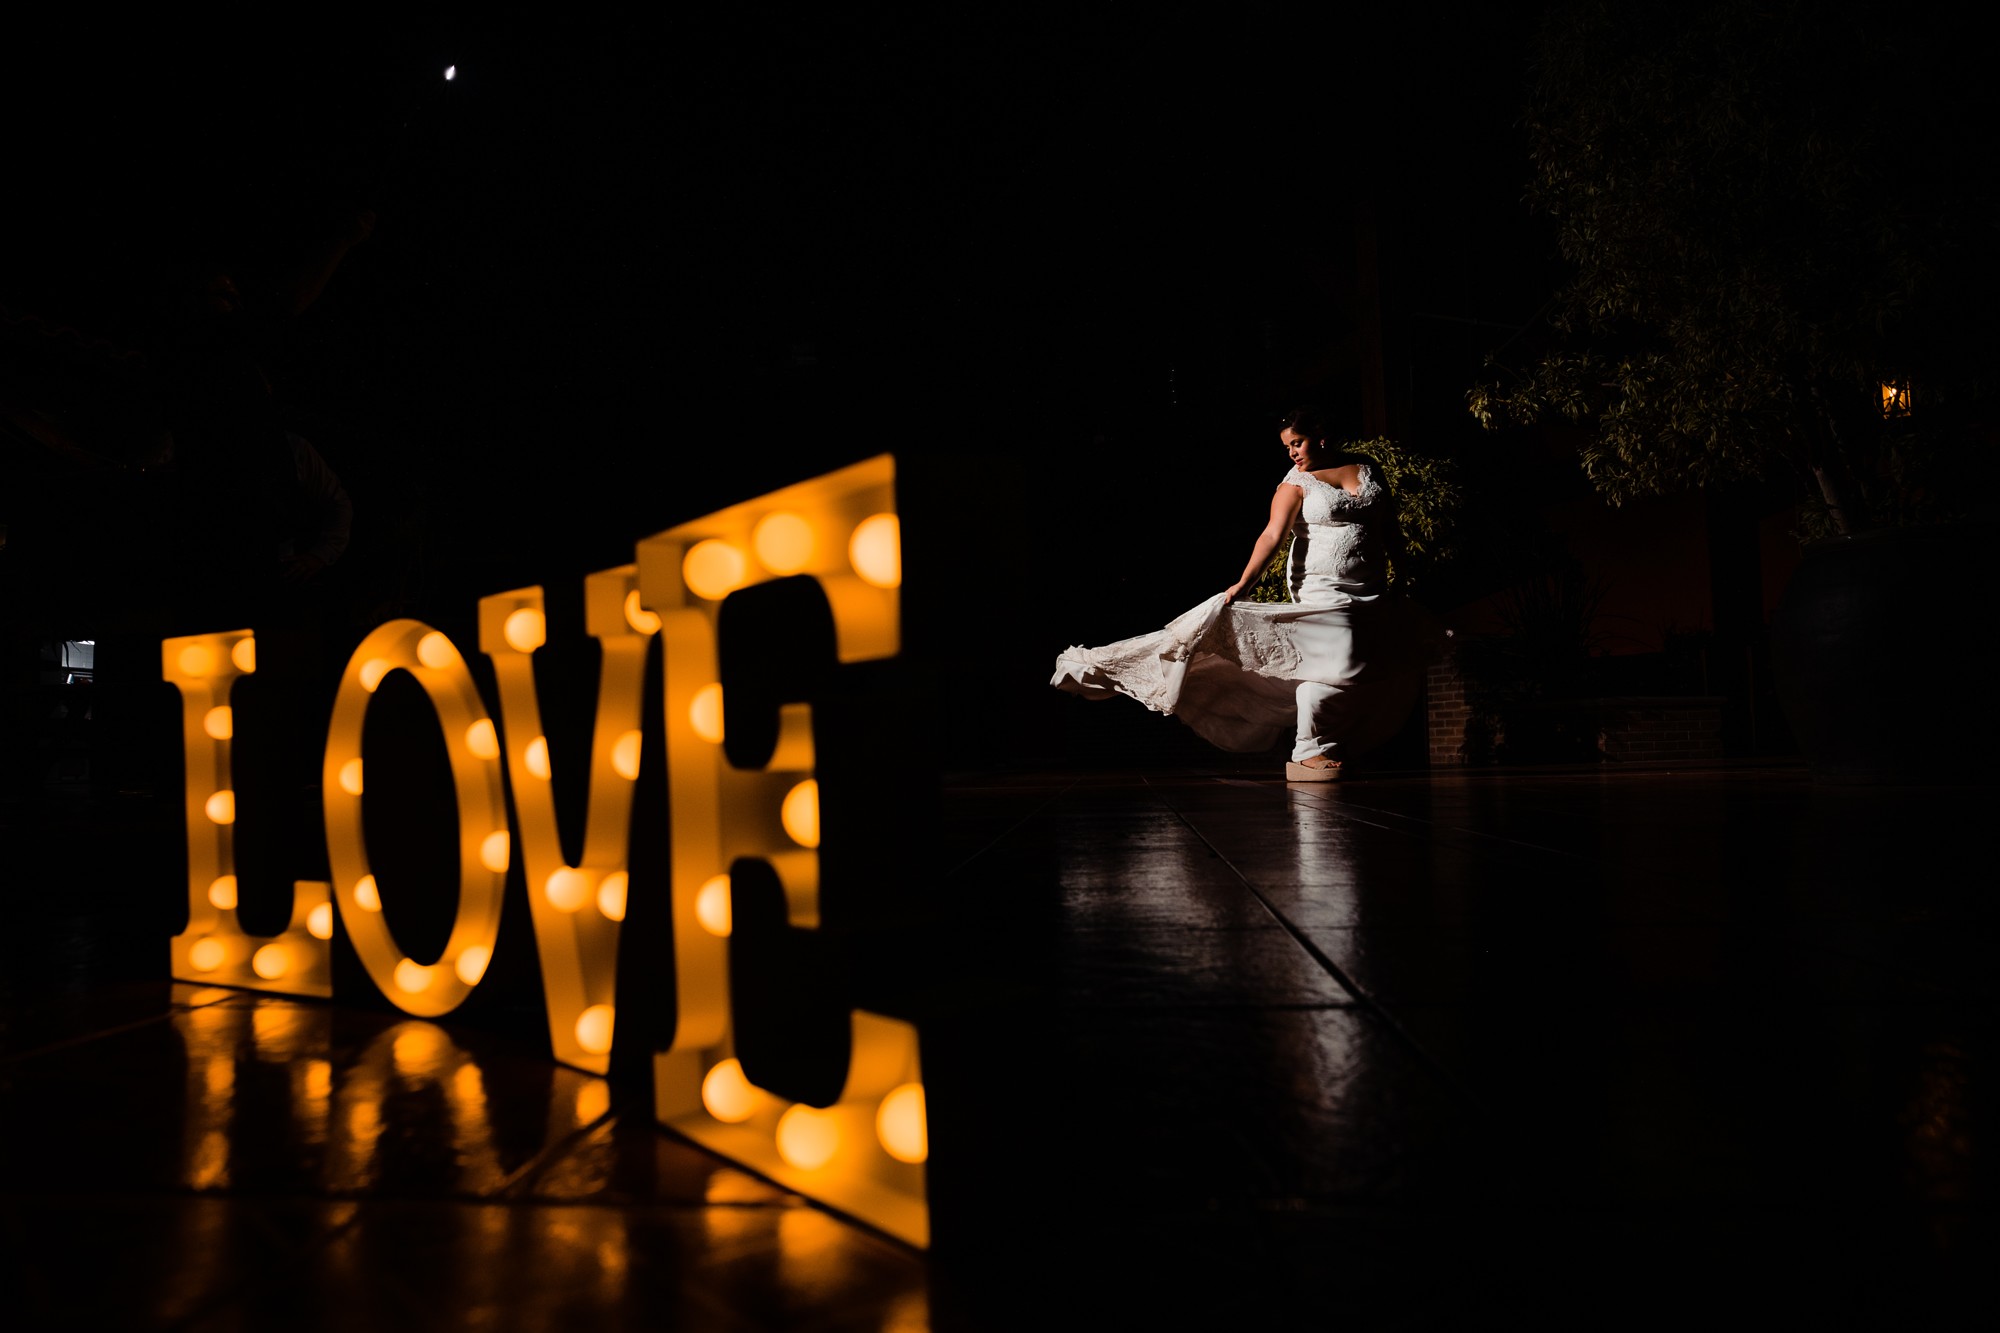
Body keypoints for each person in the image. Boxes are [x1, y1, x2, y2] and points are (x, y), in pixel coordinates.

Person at [1051, 406, 1441, 779]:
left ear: (1321, 437)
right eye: (1287, 446)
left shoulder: (1366, 468)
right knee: (1339, 656)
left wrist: (1402, 573)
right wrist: (1244, 583)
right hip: (1321, 586)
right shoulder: (1295, 483)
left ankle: (1319, 747)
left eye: (1298, 442)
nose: (1292, 452)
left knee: (1339, 665)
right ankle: (1308, 750)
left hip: (1369, 586)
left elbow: (1388, 525)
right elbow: (1272, 535)